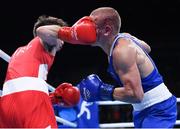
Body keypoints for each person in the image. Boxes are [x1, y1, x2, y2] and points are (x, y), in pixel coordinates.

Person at [57, 7, 177, 128]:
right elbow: (147, 48)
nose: (86, 26)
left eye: (92, 25)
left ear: (107, 30)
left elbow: (136, 94)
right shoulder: (124, 39)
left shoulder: (121, 51)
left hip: (158, 109)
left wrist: (101, 90)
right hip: (143, 110)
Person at [0, 15, 80, 128]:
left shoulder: (20, 51)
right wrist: (71, 33)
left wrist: (53, 98)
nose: (63, 40)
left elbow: (22, 88)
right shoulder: (45, 41)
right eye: (59, 34)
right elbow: (41, 30)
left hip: (6, 104)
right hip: (30, 98)